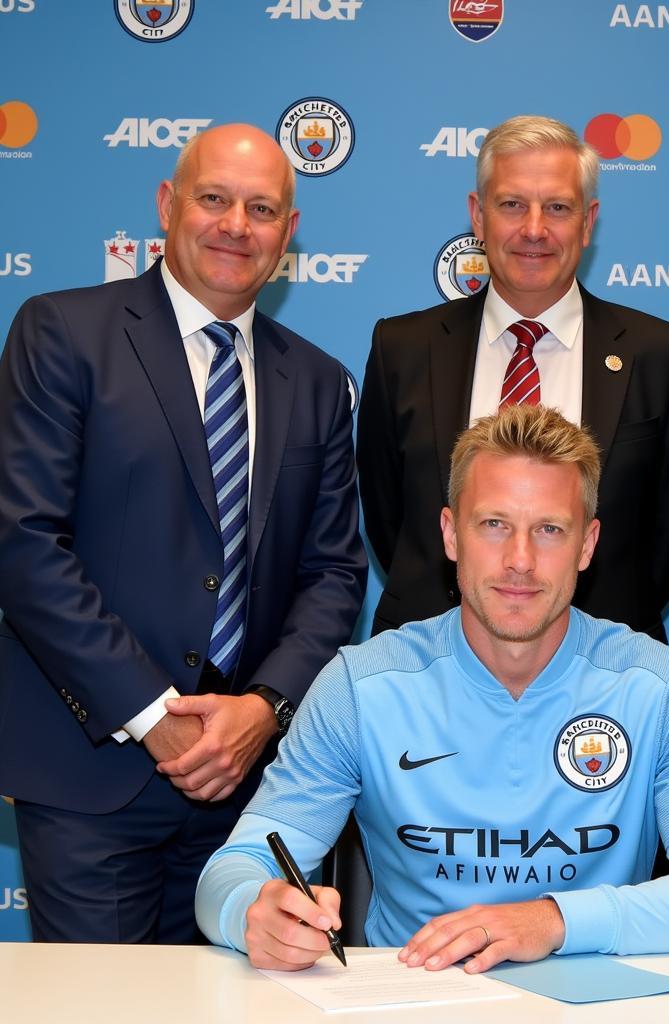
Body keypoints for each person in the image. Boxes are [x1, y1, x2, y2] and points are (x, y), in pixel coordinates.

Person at [196, 404, 669, 972]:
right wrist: (253, 912)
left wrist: (552, 921)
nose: (519, 561)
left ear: (588, 545)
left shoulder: (662, 687)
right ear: (451, 534)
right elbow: (235, 869)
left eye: (549, 529)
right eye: (494, 525)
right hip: (413, 1005)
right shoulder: (361, 686)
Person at [0, 124, 367, 943]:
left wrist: (263, 709)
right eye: (214, 198)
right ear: (168, 206)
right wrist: (152, 712)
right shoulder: (64, 333)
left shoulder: (316, 379)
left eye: (263, 207)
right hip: (95, 775)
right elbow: (23, 543)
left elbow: (336, 574)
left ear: (289, 232)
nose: (237, 224)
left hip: (249, 791)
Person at [357, 115, 669, 640]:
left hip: (610, 664)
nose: (534, 229)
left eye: (558, 208)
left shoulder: (663, 356)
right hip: (425, 662)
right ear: (478, 215)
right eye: (512, 204)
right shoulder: (401, 349)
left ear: (588, 222)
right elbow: (389, 520)